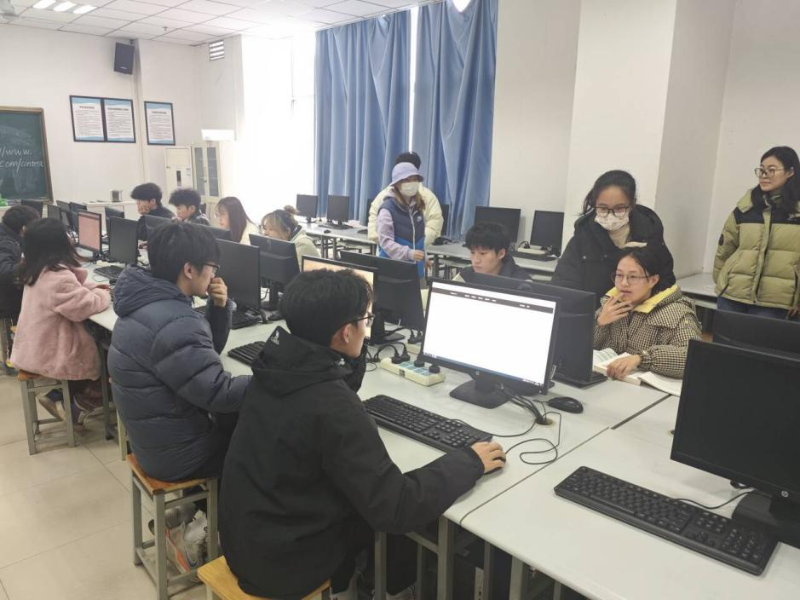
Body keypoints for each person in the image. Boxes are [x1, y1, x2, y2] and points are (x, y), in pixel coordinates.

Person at [220, 270, 505, 600]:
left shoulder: (275, 365)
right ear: (345, 332)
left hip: (246, 540)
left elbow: (328, 382)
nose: (367, 327)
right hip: (286, 563)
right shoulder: (334, 407)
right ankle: (394, 590)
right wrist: (469, 461)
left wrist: (350, 349)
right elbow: (396, 507)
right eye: (365, 320)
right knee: (401, 515)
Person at [108, 222, 250, 571]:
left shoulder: (148, 301)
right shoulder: (174, 319)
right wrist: (275, 377)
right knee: (259, 447)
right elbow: (217, 391)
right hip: (176, 454)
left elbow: (200, 360)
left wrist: (219, 308)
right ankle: (203, 533)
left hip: (152, 439)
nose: (215, 274)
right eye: (212, 267)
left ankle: (191, 512)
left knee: (238, 423)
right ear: (189, 269)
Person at [10, 219, 110, 424]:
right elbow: (85, 306)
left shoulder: (38, 268)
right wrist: (105, 295)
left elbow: (75, 288)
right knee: (113, 362)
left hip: (37, 342)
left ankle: (57, 395)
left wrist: (92, 288)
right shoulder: (57, 277)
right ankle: (75, 407)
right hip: (52, 349)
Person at [551, 170, 675, 307]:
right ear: (595, 205)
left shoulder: (649, 233)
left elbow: (666, 283)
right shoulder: (583, 237)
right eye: (603, 208)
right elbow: (562, 289)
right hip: (595, 314)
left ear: (632, 204)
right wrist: (597, 316)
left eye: (619, 208)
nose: (611, 215)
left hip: (642, 315)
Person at [714, 146, 800, 319]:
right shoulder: (745, 208)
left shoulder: (797, 213)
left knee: (761, 338)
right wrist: (721, 281)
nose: (764, 175)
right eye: (761, 170)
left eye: (771, 170)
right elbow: (725, 248)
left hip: (776, 300)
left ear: (790, 172)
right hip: (733, 294)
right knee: (724, 337)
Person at [594, 247, 701, 380]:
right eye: (619, 275)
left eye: (633, 277)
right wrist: (599, 323)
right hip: (608, 382)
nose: (623, 283)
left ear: (653, 280)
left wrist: (641, 358)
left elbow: (692, 357)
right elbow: (583, 347)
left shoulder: (676, 313)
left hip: (648, 389)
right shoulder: (610, 304)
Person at [368, 151, 444, 246]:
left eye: (412, 178)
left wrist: (414, 244)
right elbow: (373, 225)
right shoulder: (384, 197)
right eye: (405, 179)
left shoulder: (428, 197)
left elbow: (434, 226)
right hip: (388, 251)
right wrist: (392, 245)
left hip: (417, 251)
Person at [376, 162, 427, 280]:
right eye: (407, 180)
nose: (412, 183)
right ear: (397, 184)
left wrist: (425, 257)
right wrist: (409, 253)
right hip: (394, 273)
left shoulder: (417, 207)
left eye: (414, 179)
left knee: (420, 292)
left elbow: (419, 238)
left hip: (416, 271)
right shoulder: (387, 209)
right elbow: (386, 242)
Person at [454, 221, 530, 282]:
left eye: (482, 253)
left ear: (501, 254)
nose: (476, 260)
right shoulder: (465, 276)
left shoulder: (521, 283)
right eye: (472, 252)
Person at [0, 205, 39, 320]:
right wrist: (36, 264)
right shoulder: (7, 243)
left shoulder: (6, 233)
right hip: (8, 307)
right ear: (24, 229)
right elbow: (4, 271)